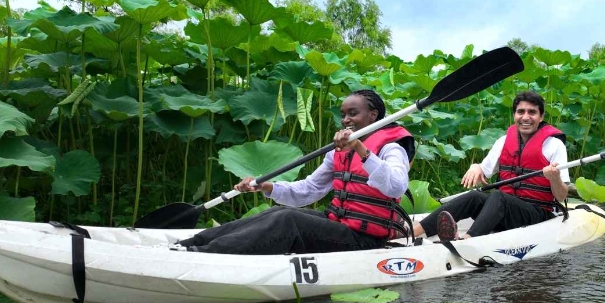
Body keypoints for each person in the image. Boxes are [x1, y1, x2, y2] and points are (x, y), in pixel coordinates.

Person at [174, 89, 415, 255]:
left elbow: (396, 186)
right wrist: (268, 187)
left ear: (373, 116)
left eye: (353, 113)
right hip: (339, 224)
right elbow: (309, 190)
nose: (346, 120)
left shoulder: (391, 148)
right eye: (343, 114)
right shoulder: (338, 152)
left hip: (366, 239)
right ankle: (190, 244)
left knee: (287, 220)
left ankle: (205, 255)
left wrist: (362, 150)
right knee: (276, 211)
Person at [414, 90, 569, 241]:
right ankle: (413, 231)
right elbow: (483, 170)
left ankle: (467, 240)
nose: (525, 117)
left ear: (541, 116)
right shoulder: (503, 142)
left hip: (536, 214)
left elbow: (561, 196)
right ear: (514, 115)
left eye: (532, 112)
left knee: (498, 196)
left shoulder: (554, 145)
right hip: (504, 213)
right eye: (520, 112)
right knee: (474, 196)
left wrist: (554, 178)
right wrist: (476, 166)